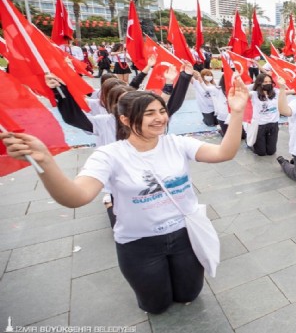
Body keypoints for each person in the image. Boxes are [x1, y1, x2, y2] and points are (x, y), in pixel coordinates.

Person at [0, 77, 249, 314]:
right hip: (140, 244)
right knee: (156, 306)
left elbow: (224, 153)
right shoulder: (109, 155)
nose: (159, 118)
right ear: (126, 119)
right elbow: (76, 197)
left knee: (189, 295)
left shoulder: (178, 143)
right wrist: (45, 163)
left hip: (186, 234)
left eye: (161, 111)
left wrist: (237, 112)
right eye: (149, 113)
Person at [248, 73, 280, 156]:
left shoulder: (276, 92)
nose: (268, 84)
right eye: (265, 82)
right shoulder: (254, 94)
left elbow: (292, 91)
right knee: (261, 153)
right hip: (260, 125)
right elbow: (243, 93)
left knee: (271, 152)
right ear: (259, 83)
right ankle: (250, 144)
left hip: (273, 124)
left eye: (269, 82)